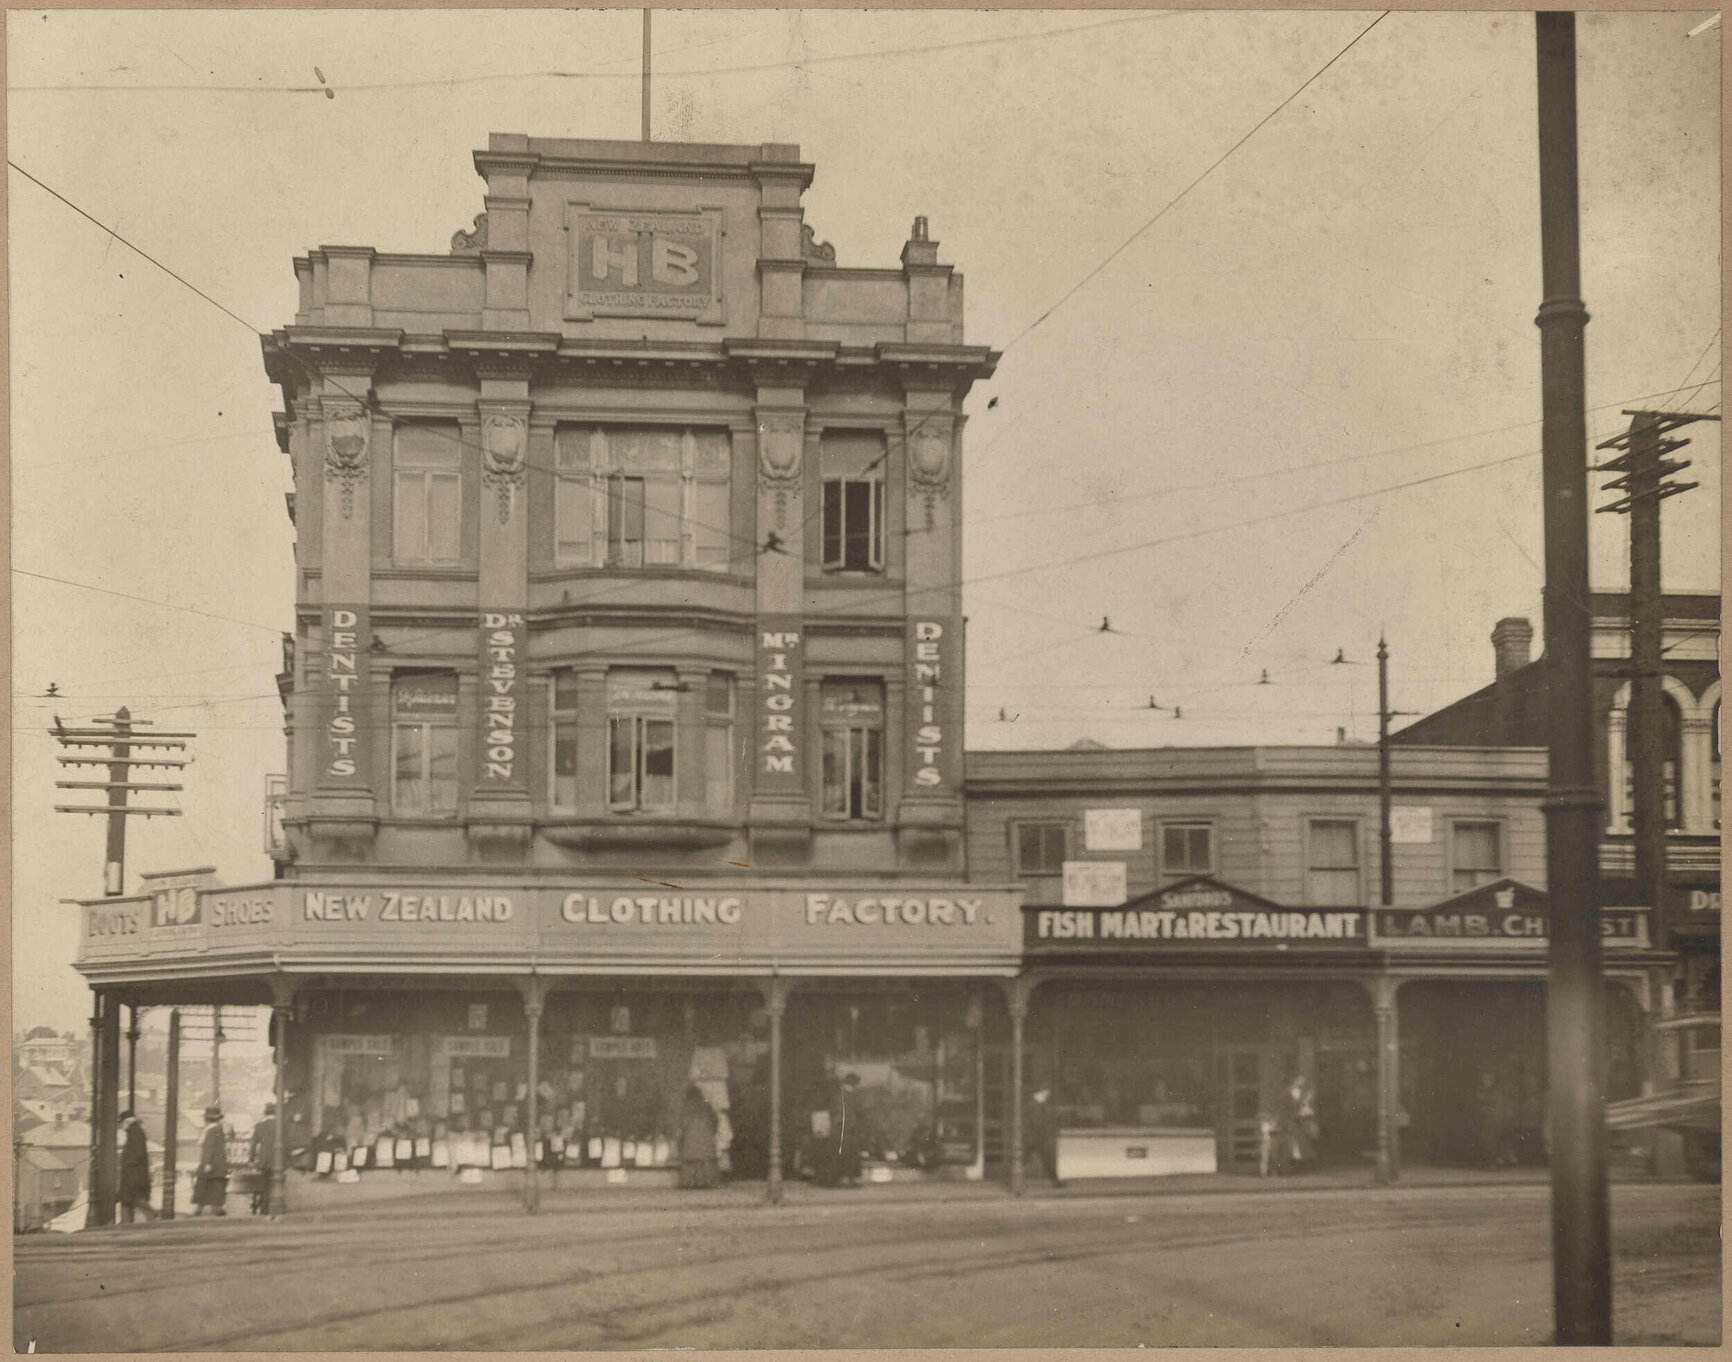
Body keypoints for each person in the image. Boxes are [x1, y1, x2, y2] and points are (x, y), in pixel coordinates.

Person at [677, 1083, 720, 1189]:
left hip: (690, 1137)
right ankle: (706, 1182)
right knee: (705, 1161)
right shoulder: (707, 1105)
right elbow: (715, 1121)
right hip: (706, 1137)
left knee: (691, 1161)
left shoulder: (686, 1107)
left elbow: (682, 1123)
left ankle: (690, 1183)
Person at [117, 1110, 155, 1223]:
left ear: (127, 1122)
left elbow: (138, 1153)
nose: (121, 1126)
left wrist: (126, 1162)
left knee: (133, 1198)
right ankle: (125, 1222)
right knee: (128, 1199)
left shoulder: (135, 1132)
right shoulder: (135, 1131)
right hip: (133, 1173)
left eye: (121, 1123)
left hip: (133, 1173)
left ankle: (152, 1215)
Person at [192, 1106, 229, 1216]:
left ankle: (202, 1209)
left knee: (204, 1185)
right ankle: (216, 1209)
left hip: (211, 1163)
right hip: (217, 1164)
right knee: (215, 1187)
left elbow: (210, 1147)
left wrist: (207, 1163)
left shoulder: (211, 1130)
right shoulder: (217, 1129)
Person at [248, 1102, 280, 1215]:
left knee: (265, 1184)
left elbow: (253, 1144)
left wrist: (251, 1159)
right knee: (277, 1184)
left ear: (265, 1113)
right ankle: (275, 1207)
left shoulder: (259, 1126)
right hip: (278, 1159)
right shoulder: (280, 1125)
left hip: (264, 1159)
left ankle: (264, 1208)